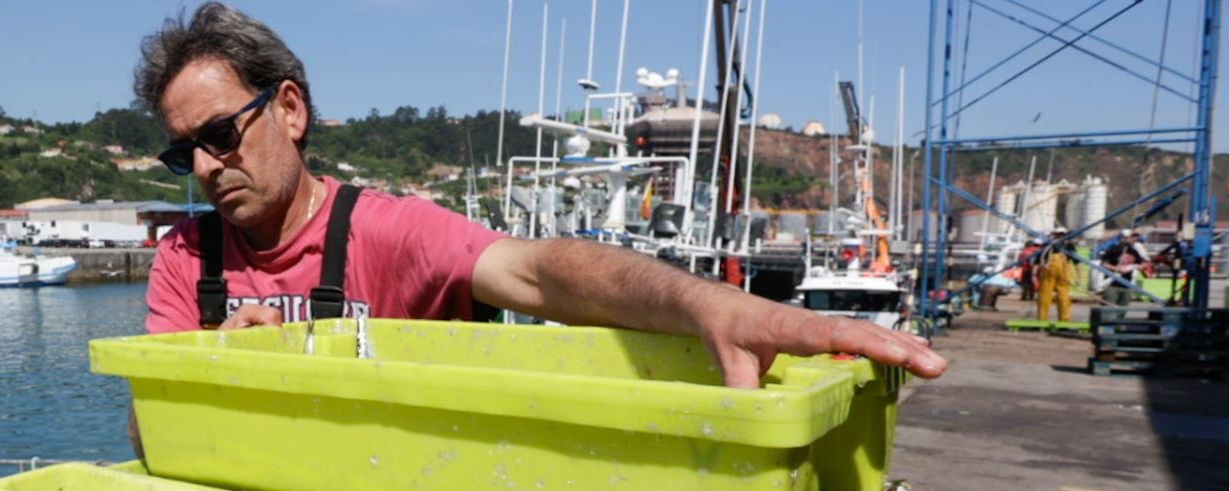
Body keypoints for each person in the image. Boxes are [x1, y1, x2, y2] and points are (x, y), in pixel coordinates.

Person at [133, 4, 947, 414]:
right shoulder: (183, 263)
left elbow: (540, 269)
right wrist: (213, 369)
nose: (206, 166)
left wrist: (710, 304)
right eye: (185, 151)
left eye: (219, 133)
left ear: (289, 110)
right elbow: (148, 435)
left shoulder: (388, 230)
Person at [1097, 229, 1151, 306]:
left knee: (1122, 310)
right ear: (1122, 237)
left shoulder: (1134, 251)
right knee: (1108, 309)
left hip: (1126, 285)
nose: (1133, 239)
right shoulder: (1114, 249)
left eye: (1133, 237)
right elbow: (1103, 264)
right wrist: (1117, 268)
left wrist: (1140, 267)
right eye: (1128, 237)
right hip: (1112, 284)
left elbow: (1142, 263)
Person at [1034, 228, 1076, 325]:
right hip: (1047, 273)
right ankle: (1042, 319)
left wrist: (1078, 277)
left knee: (1064, 297)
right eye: (1058, 234)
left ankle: (1064, 320)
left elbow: (1077, 261)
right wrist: (1034, 274)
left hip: (1064, 274)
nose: (1060, 236)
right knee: (1044, 296)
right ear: (1054, 234)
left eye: (1062, 234)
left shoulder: (1069, 247)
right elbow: (1038, 261)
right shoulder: (1047, 246)